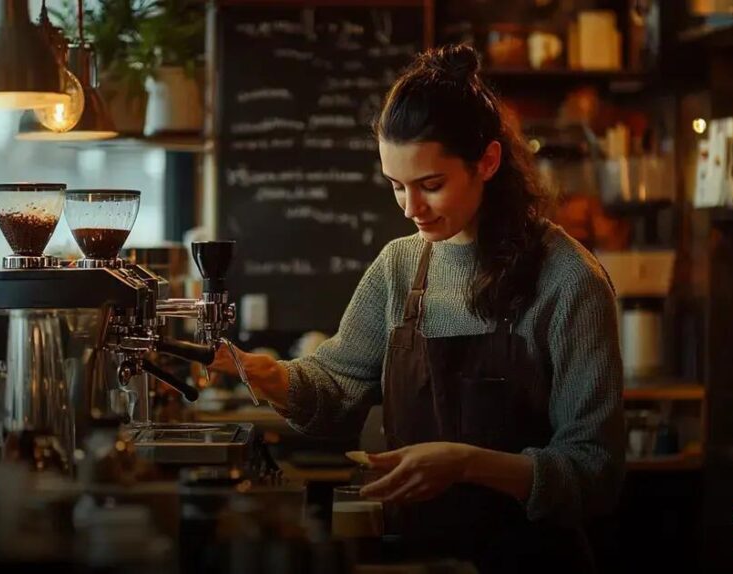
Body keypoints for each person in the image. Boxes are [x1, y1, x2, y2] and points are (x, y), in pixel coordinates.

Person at [208, 44, 625, 572]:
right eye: (396, 186)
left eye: (431, 185)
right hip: (415, 558)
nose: (410, 209)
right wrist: (271, 376)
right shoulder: (400, 266)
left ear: (488, 162)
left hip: (530, 560)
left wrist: (467, 464)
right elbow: (337, 385)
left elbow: (596, 473)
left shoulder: (568, 281)